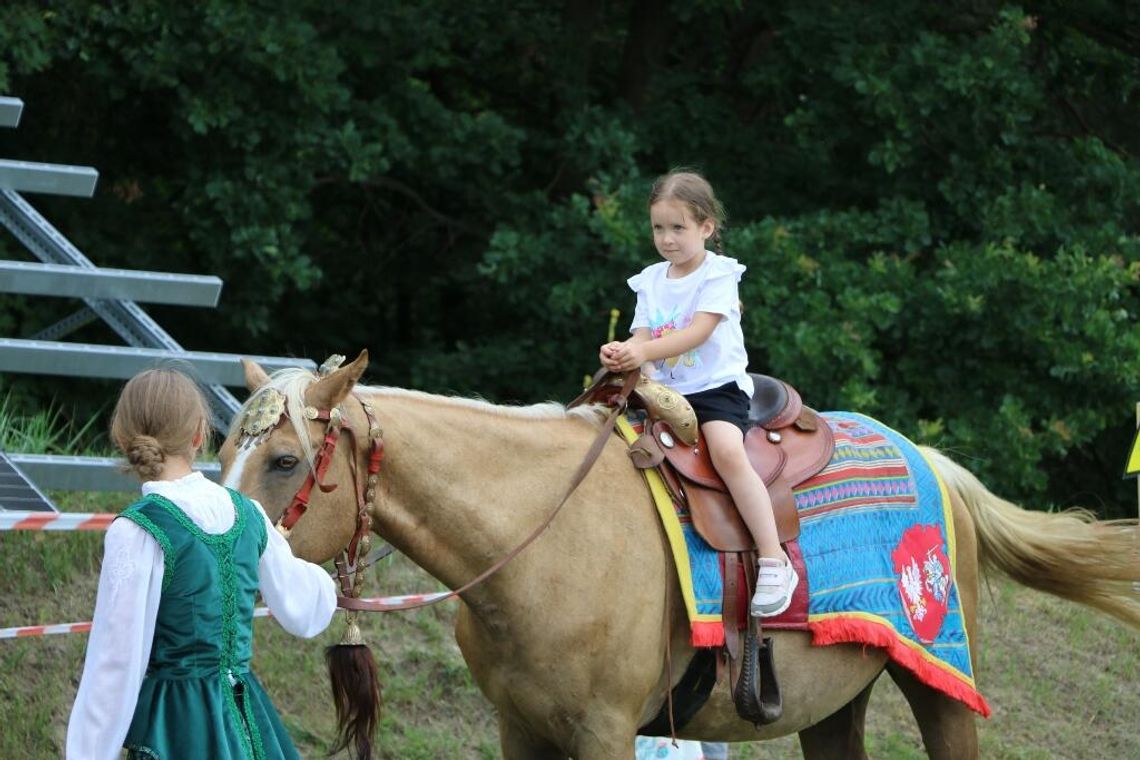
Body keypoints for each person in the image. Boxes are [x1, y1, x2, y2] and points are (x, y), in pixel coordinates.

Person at [66, 368, 338, 760]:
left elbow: (115, 665)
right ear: (199, 434)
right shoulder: (249, 515)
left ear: (122, 439)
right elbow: (305, 611)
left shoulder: (137, 530)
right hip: (244, 723)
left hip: (177, 731)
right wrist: (327, 582)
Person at [600, 169, 797, 617]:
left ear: (706, 227)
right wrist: (622, 352)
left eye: (678, 227)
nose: (667, 239)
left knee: (727, 453)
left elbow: (698, 333)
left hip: (715, 390)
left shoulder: (718, 275)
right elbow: (642, 335)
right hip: (664, 392)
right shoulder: (650, 280)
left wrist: (643, 350)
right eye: (658, 228)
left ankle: (773, 558)